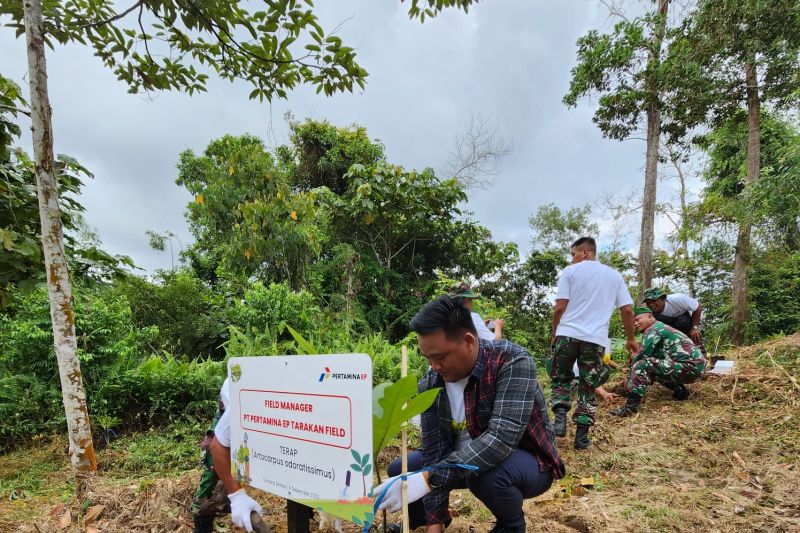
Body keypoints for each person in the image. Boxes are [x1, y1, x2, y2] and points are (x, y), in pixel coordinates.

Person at [374, 296, 564, 533]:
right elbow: (435, 451)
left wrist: (429, 479)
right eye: (428, 358)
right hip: (457, 462)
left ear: (468, 341)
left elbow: (500, 440)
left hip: (525, 461)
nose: (434, 366)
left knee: (484, 474)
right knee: (401, 470)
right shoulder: (431, 383)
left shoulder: (512, 362)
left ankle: (511, 525)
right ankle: (425, 521)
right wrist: (435, 526)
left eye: (440, 357)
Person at [549, 237, 638, 449]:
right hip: (595, 340)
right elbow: (627, 310)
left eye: (573, 254)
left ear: (585, 253)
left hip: (567, 334)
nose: (572, 259)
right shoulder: (614, 276)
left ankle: (560, 419)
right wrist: (631, 338)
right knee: (588, 386)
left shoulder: (570, 272)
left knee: (560, 377)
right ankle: (581, 439)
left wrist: (555, 333)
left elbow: (560, 307)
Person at [611, 306, 707, 416]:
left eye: (638, 320)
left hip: (689, 367)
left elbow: (642, 356)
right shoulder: (660, 327)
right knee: (654, 366)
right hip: (694, 368)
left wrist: (629, 377)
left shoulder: (654, 330)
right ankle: (679, 390)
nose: (636, 324)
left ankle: (630, 408)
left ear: (650, 317)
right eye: (633, 322)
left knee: (641, 365)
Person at [202, 378, 264, 533]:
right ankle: (202, 521)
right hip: (231, 403)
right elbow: (218, 447)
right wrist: (237, 495)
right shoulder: (244, 401)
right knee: (213, 470)